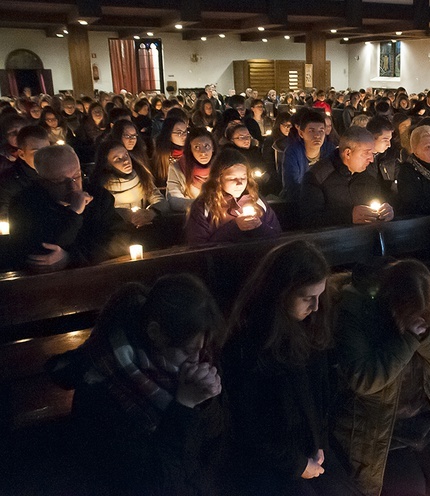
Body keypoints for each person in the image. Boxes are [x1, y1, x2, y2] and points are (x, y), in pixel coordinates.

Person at [47, 273, 227, 495]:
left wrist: (207, 401)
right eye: (188, 351)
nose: (197, 360)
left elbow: (213, 443)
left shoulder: (190, 360)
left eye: (202, 348)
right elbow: (153, 482)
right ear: (155, 334)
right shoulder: (105, 383)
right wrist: (184, 406)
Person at [222, 240, 362, 496]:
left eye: (320, 296)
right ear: (279, 292)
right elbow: (250, 428)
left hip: (310, 447)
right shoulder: (249, 345)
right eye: (307, 298)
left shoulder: (310, 328)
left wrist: (319, 443)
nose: (317, 307)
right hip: (271, 463)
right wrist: (297, 465)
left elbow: (319, 401)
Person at [334, 259, 430, 496]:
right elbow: (362, 380)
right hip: (377, 421)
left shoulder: (423, 306)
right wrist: (407, 341)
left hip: (418, 417)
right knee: (410, 489)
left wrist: (426, 337)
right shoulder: (356, 310)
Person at [8, 144, 128, 271]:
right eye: (61, 181)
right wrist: (74, 213)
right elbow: (40, 253)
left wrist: (71, 258)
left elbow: (119, 239)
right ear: (43, 181)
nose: (73, 187)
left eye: (76, 176)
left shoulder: (98, 197)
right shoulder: (24, 204)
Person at [300, 126, 392, 227]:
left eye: (372, 153)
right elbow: (309, 219)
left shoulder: (367, 173)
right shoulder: (318, 176)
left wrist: (386, 211)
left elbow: (378, 198)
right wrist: (347, 216)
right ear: (348, 153)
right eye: (366, 153)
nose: (371, 160)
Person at [185, 148, 281, 245]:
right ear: (218, 178)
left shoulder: (256, 199)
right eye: (232, 178)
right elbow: (198, 248)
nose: (239, 183)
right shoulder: (203, 206)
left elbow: (277, 235)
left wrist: (259, 226)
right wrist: (235, 226)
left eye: (243, 177)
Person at [91, 140, 166, 227]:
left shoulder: (142, 176)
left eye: (126, 155)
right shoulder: (101, 188)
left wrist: (152, 212)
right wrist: (126, 215)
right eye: (118, 159)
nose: (126, 161)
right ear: (107, 164)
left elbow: (159, 199)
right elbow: (101, 214)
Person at [281, 111, 334, 201]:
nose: (317, 135)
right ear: (301, 134)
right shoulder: (293, 152)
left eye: (321, 131)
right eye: (311, 131)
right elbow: (291, 184)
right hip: (299, 200)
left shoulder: (330, 150)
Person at [0, 125, 47, 219]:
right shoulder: (8, 183)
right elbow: (4, 216)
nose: (44, 157)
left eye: (47, 151)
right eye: (36, 153)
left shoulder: (58, 171)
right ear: (21, 154)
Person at [167, 127, 217, 212]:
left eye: (207, 146)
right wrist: (203, 206)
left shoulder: (221, 167)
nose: (203, 152)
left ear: (213, 148)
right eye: (197, 147)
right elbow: (174, 200)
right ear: (190, 149)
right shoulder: (178, 168)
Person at [151, 117, 188, 188]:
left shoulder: (190, 151)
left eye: (185, 132)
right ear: (169, 133)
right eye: (179, 132)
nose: (184, 136)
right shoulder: (162, 155)